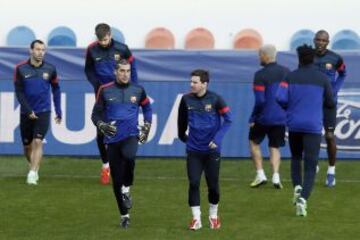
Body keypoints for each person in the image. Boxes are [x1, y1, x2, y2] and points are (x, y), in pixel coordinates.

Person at [91, 59, 151, 228]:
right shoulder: (105, 90)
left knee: (130, 156)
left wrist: (147, 124)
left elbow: (147, 108)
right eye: (122, 71)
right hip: (112, 140)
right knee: (116, 181)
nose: (125, 74)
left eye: (128, 71)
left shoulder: (138, 90)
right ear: (115, 72)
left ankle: (128, 187)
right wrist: (102, 125)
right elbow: (95, 115)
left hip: (131, 135)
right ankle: (124, 215)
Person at [276, 45, 334, 217]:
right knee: (310, 166)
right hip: (313, 127)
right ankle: (303, 198)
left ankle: (297, 187)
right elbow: (330, 102)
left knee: (295, 158)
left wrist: (290, 107)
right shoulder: (322, 78)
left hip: (294, 125)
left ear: (299, 58)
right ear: (314, 58)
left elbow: (279, 97)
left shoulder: (289, 77)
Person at [177, 69, 232, 230]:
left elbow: (228, 120)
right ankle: (196, 218)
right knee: (194, 183)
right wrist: (185, 139)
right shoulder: (186, 99)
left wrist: (217, 139)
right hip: (194, 151)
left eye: (195, 82)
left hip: (212, 152)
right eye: (191, 81)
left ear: (204, 84)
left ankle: (213, 215)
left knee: (213, 185)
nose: (191, 85)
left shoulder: (216, 99)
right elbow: (181, 123)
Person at [85, 23, 138, 185]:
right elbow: (88, 70)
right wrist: (97, 85)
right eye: (100, 40)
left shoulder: (123, 49)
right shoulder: (91, 49)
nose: (103, 42)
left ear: (110, 35)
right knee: (101, 131)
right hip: (104, 95)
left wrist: (133, 88)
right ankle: (105, 165)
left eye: (106, 39)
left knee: (123, 130)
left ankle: (121, 164)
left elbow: (132, 69)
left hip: (123, 93)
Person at [14, 39, 62, 185]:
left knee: (38, 141)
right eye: (37, 49)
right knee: (27, 146)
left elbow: (56, 89)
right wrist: (28, 111)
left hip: (44, 111)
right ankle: (33, 166)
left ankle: (33, 173)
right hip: (26, 112)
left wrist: (58, 110)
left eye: (43, 50)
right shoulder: (20, 68)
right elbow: (19, 92)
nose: (40, 52)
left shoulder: (50, 69)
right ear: (31, 50)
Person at [248, 44, 290, 189]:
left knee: (254, 142)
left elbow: (260, 100)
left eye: (260, 55)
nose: (259, 58)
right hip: (280, 117)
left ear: (265, 56)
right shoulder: (287, 72)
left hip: (264, 117)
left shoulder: (260, 75)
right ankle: (276, 177)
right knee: (275, 146)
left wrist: (253, 117)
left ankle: (260, 174)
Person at [313, 30, 347, 187]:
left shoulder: (335, 58)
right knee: (311, 134)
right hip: (311, 102)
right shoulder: (307, 57)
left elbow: (343, 74)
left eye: (323, 40)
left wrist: (334, 90)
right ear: (314, 41)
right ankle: (314, 163)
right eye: (318, 39)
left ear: (328, 42)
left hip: (329, 103)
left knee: (329, 136)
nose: (320, 42)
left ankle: (331, 171)